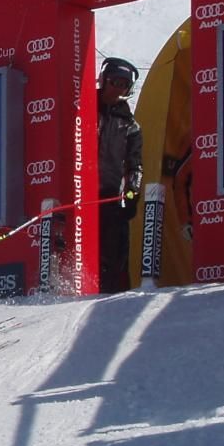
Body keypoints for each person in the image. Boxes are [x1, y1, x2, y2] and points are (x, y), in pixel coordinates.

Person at [96, 56, 143, 294]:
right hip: (79, 195)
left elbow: (135, 164)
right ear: (104, 80)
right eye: (115, 82)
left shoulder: (130, 124)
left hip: (110, 197)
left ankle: (110, 295)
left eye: (124, 85)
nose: (118, 89)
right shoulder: (84, 107)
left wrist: (133, 193)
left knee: (115, 251)